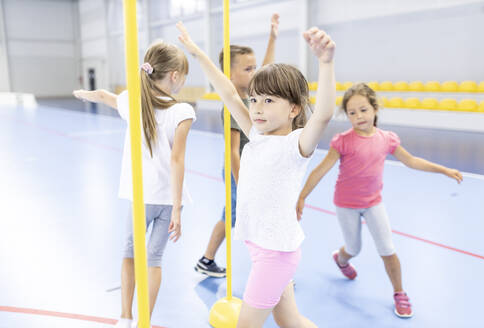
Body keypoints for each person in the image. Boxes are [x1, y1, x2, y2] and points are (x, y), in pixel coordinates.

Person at [177, 21, 336, 327]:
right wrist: (197, 53)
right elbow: (226, 90)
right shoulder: (256, 134)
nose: (257, 108)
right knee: (291, 322)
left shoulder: (296, 145)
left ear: (293, 109)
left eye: (268, 101)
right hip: (263, 249)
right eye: (254, 99)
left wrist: (326, 63)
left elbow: (325, 114)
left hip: (275, 256)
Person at [296, 82, 463, 318]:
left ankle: (399, 292)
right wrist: (302, 197)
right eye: (352, 113)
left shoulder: (387, 139)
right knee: (354, 248)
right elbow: (320, 170)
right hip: (346, 205)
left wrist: (443, 170)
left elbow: (412, 161)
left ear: (375, 109)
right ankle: (341, 259)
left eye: (363, 109)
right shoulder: (342, 141)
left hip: (374, 203)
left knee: (387, 249)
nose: (358, 116)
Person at [73, 41, 195, 328]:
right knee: (154, 260)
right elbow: (178, 161)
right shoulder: (183, 111)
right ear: (174, 76)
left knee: (129, 253)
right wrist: (177, 209)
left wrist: (84, 93)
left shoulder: (131, 101)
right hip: (166, 198)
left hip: (140, 196)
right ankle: (144, 321)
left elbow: (103, 95)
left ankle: (125, 316)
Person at [195, 13, 281, 278]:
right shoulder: (233, 106)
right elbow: (232, 150)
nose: (254, 72)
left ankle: (206, 260)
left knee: (230, 215)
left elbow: (266, 68)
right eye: (247, 69)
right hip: (239, 172)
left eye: (253, 68)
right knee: (245, 216)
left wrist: (272, 38)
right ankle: (269, 267)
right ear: (228, 75)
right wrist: (242, 181)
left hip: (254, 170)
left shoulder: (253, 96)